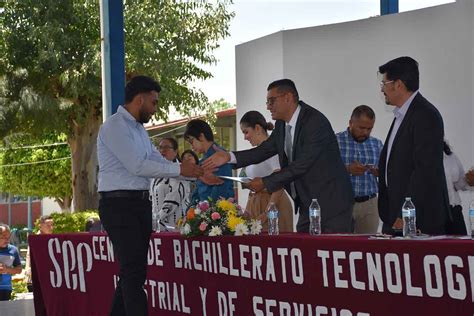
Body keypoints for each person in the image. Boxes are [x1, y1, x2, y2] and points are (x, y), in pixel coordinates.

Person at [97, 75, 204, 316]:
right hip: (118, 204)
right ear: (140, 99)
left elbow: (156, 159)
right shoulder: (114, 126)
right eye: (154, 103)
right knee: (134, 271)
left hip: (138, 204)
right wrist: (180, 169)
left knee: (132, 271)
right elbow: (137, 166)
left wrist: (194, 173)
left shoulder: (139, 130)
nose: (155, 109)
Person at [203, 79, 354, 233]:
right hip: (307, 204)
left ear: (288, 98)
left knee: (329, 253)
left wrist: (265, 182)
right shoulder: (282, 124)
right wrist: (229, 157)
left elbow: (301, 165)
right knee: (305, 252)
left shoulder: (314, 122)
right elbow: (264, 150)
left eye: (271, 101)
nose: (268, 106)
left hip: (332, 204)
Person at [377, 56, 450, 235]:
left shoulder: (425, 115)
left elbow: (425, 169)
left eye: (384, 83)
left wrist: (407, 212)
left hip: (415, 219)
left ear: (399, 85)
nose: (382, 89)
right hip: (395, 214)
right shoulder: (402, 115)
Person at [240, 110, 293, 232]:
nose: (245, 137)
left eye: (246, 132)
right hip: (256, 204)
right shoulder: (257, 152)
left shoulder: (272, 150)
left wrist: (267, 212)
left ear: (257, 128)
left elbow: (279, 181)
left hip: (273, 205)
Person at [336, 105, 383, 234]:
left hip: (370, 204)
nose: (365, 133)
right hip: (341, 204)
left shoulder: (377, 144)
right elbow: (324, 171)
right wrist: (347, 169)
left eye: (369, 129)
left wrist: (380, 172)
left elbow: (386, 170)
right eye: (361, 128)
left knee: (367, 247)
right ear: (350, 123)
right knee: (341, 245)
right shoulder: (335, 142)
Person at [184, 119, 234, 203]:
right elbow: (198, 189)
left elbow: (221, 189)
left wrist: (207, 210)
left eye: (191, 141)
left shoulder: (219, 156)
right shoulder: (204, 158)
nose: (192, 147)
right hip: (204, 209)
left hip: (217, 210)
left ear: (201, 136)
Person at [150, 137, 191, 231]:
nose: (162, 151)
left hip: (175, 225)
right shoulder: (156, 172)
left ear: (175, 152)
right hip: (157, 226)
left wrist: (156, 218)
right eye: (160, 147)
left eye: (166, 147)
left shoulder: (181, 170)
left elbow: (173, 199)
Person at [443, 141, 474, 234]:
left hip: (454, 210)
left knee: (461, 246)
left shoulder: (450, 156)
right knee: (437, 246)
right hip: (434, 212)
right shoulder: (422, 157)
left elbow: (457, 185)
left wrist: (469, 180)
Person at [24, 215, 54, 291]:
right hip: (36, 274)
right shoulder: (36, 239)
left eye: (52, 225)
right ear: (41, 226)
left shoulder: (52, 239)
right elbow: (29, 255)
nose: (51, 227)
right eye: (48, 225)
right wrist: (28, 268)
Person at [0, 224, 22, 301]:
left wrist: (7, 270)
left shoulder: (13, 250)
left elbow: (19, 270)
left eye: (8, 237)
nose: (7, 240)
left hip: (5, 289)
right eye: (3, 237)